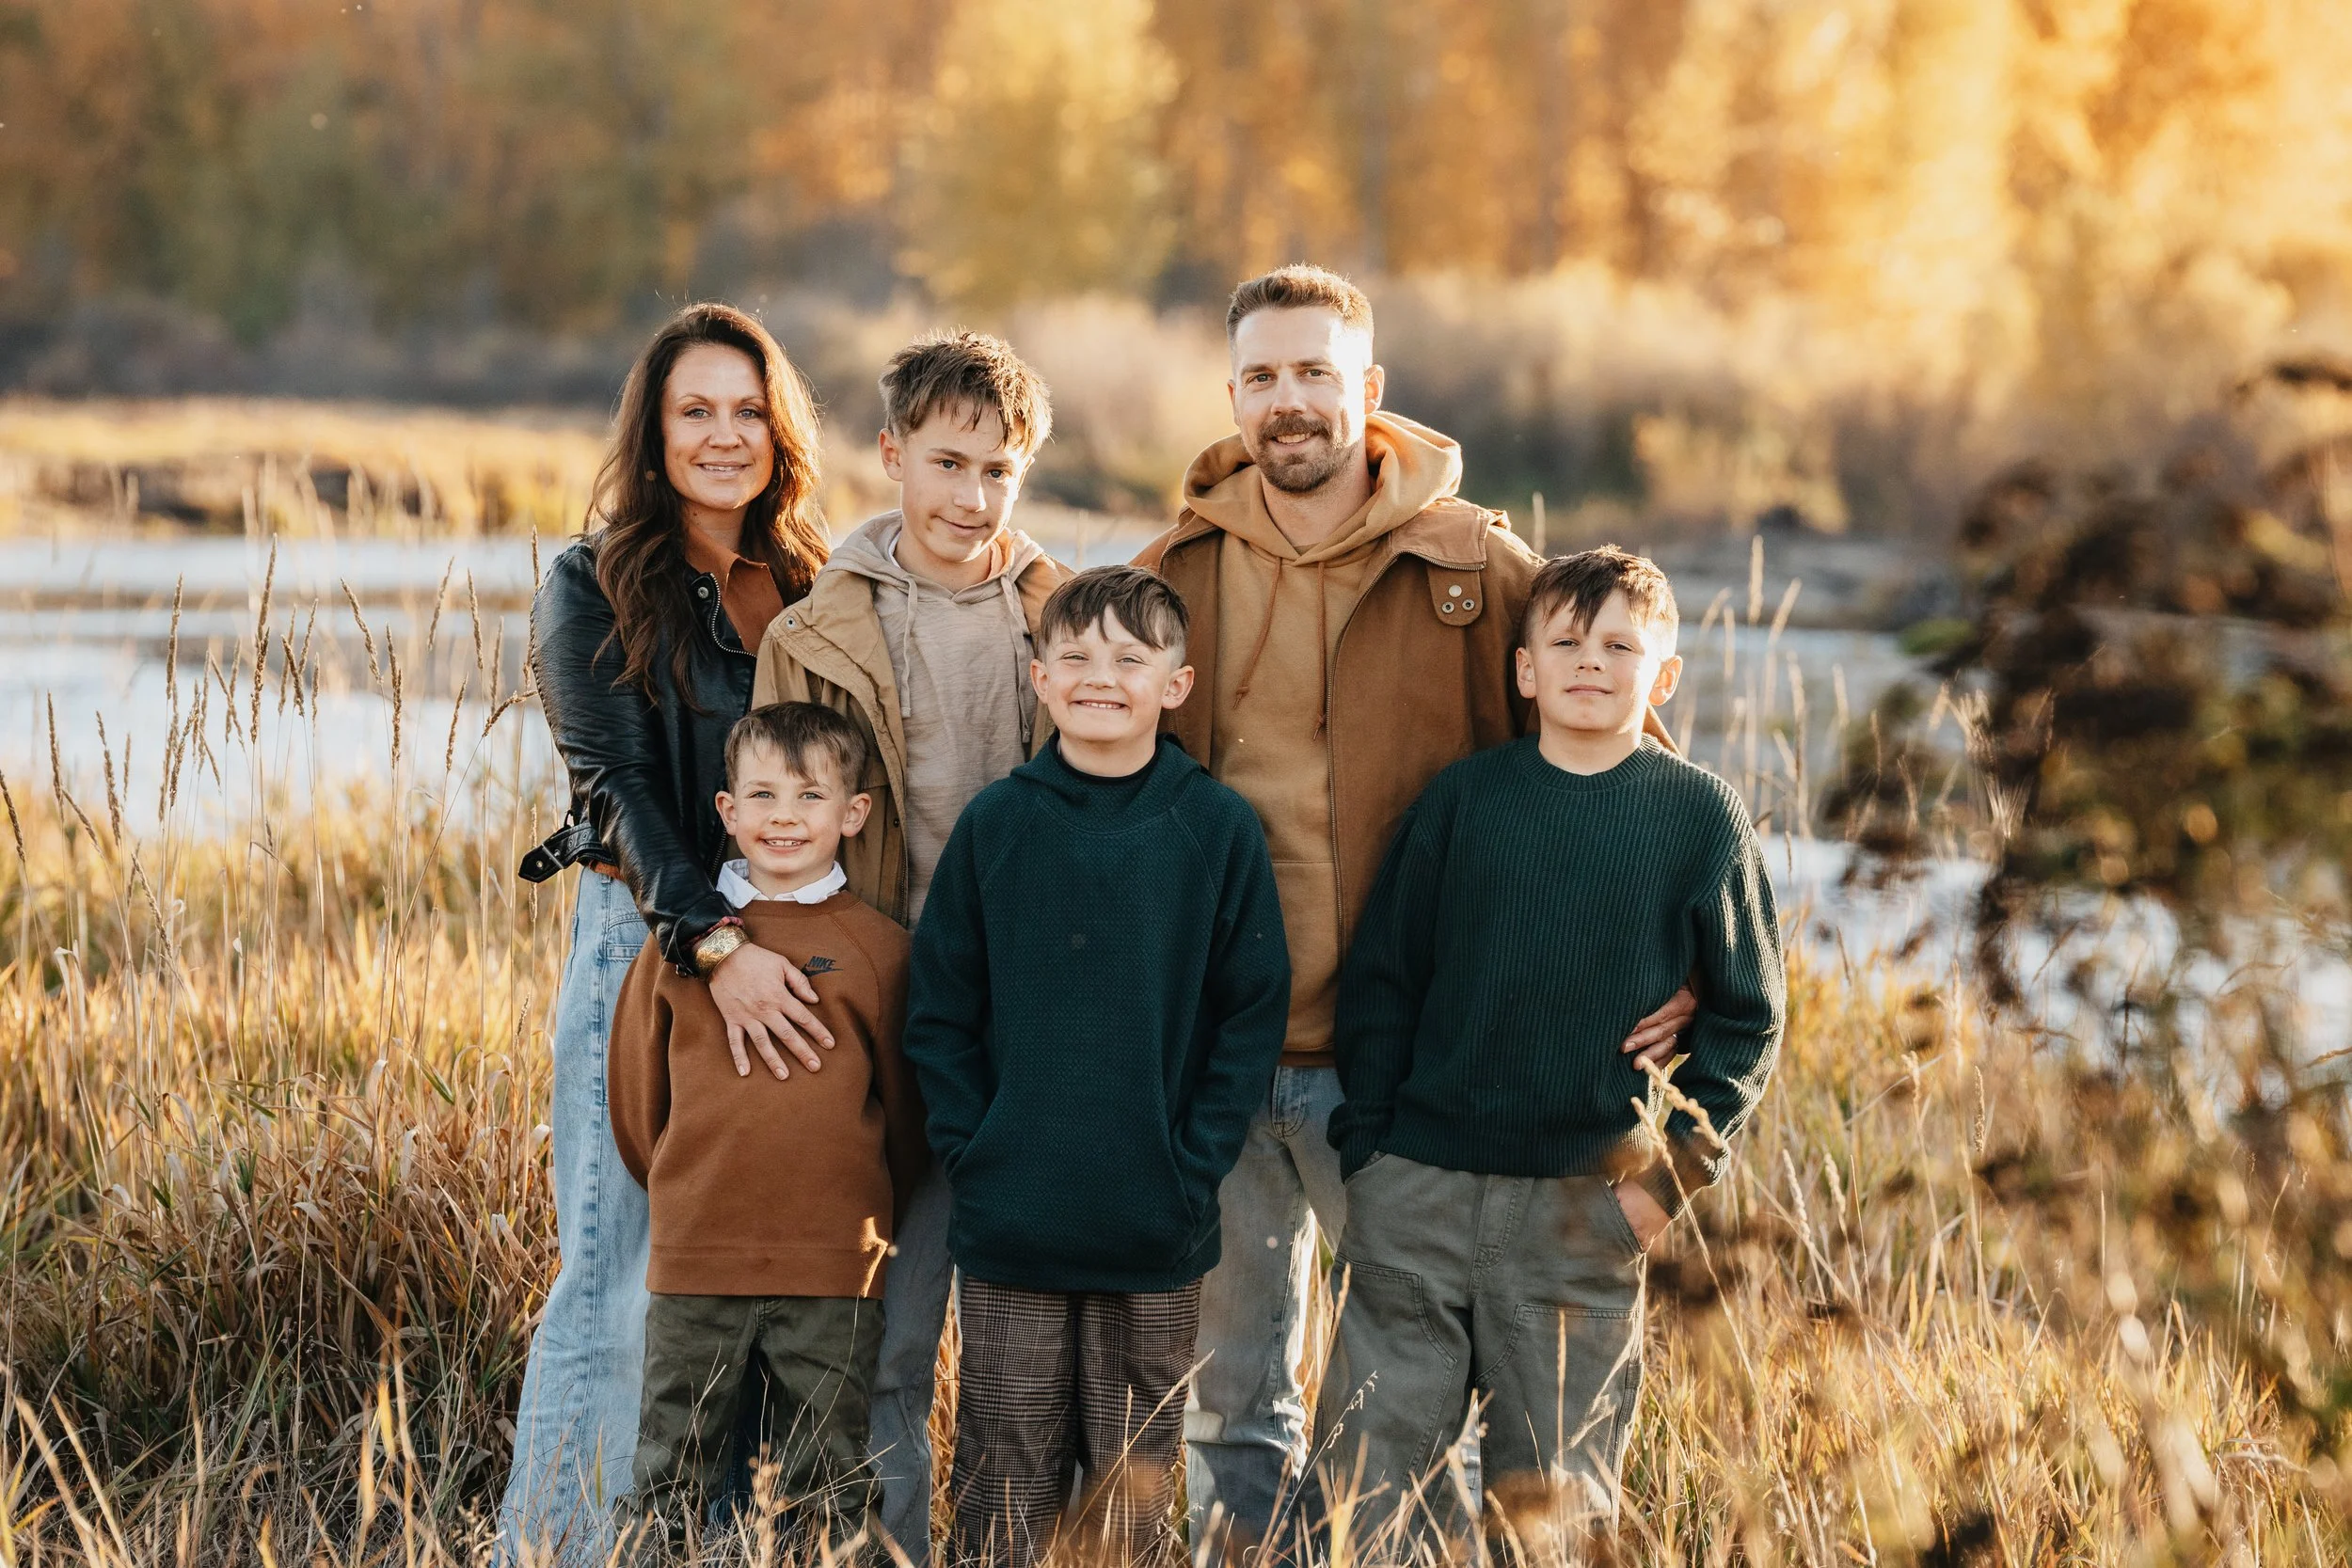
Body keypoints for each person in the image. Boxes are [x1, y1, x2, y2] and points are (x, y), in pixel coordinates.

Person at [1131, 264, 1697, 1552]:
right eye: (1265, 376)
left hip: (1400, 1076)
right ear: (1233, 394)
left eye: (1316, 374)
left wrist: (1686, 967)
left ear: (1368, 391)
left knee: (1413, 1400)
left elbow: (1621, 751)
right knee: (1231, 1396)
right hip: (1213, 1055)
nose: (1290, 403)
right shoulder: (1176, 568)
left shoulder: (1476, 566)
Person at [1314, 546, 1786, 1550]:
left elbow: (1747, 1020)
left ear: (1661, 677)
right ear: (1524, 669)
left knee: (1556, 1513)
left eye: (1619, 645)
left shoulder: (1697, 815)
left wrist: (1664, 1185)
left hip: (1583, 1211)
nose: (1588, 661)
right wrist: (1372, 1149)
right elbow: (1386, 982)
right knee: (1366, 1489)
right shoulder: (1464, 800)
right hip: (1419, 1194)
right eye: (1565, 641)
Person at [506, 303, 838, 1561]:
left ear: (782, 429)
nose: (723, 434)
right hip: (651, 942)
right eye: (695, 410)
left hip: (794, 952)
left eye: (748, 410)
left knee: (749, 1287)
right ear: (652, 431)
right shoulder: (589, 580)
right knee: (617, 1281)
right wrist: (710, 942)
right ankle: (552, 1547)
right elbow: (614, 787)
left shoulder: (816, 578)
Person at [901, 567, 1290, 1568]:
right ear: (1038, 678)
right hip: (1011, 1217)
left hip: (1153, 1218)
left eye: (1129, 658)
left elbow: (1248, 1017)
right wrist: (976, 1148)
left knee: (1132, 1477)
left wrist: (1191, 1161)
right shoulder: (999, 824)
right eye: (1074, 657)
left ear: (1177, 682)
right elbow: (940, 1010)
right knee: (1003, 1462)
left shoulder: (1215, 829)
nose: (1099, 677)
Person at [753, 330, 1068, 1562]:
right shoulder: (818, 633)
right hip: (869, 1032)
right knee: (881, 1335)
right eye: (946, 462)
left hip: (1018, 1040)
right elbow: (775, 842)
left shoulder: (1067, 619)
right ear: (890, 455)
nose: (970, 496)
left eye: (999, 470)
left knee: (1021, 1342)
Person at [606, 702, 927, 1557]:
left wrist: (856, 1206)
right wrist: (685, 1186)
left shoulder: (880, 950)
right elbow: (639, 1107)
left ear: (853, 813)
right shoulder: (680, 949)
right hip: (699, 1255)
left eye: (811, 795)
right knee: (672, 1466)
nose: (785, 815)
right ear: (728, 811)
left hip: (833, 1265)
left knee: (828, 1474)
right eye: (763, 794)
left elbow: (906, 1120)